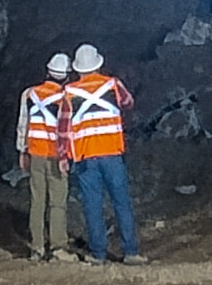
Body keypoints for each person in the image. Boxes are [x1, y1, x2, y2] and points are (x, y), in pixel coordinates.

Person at [58, 43, 148, 266]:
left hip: (86, 157)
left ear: (77, 69)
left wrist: (62, 157)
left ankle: (98, 254)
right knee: (121, 202)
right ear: (98, 64)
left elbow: (63, 128)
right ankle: (130, 252)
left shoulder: (68, 93)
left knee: (92, 205)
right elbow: (128, 103)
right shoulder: (112, 84)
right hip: (111, 154)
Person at [15, 52, 75, 262]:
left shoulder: (30, 94)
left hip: (35, 153)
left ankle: (37, 247)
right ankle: (58, 247)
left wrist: (22, 150)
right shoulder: (65, 98)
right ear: (66, 76)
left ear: (47, 71)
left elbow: (23, 123)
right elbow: (67, 130)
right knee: (57, 203)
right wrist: (67, 156)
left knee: (37, 201)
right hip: (55, 156)